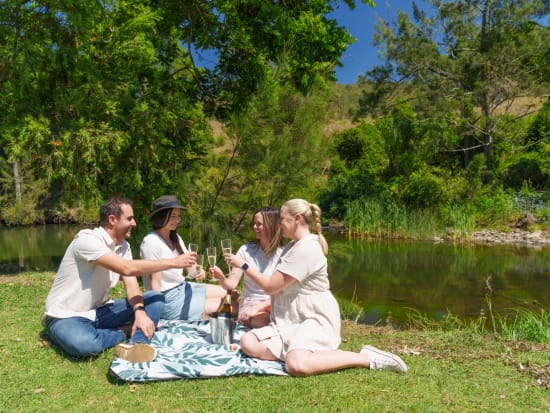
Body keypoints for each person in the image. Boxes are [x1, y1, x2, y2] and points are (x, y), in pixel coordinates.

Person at [223, 198, 408, 376]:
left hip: (312, 317)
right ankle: (303, 352)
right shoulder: (291, 247)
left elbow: (272, 287)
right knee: (248, 343)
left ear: (296, 219)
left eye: (282, 219)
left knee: (297, 366)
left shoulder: (307, 249)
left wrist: (244, 265)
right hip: (290, 319)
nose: (279, 224)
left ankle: (366, 358)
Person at [42, 197, 196, 363]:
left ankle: (137, 343)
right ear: (112, 220)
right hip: (66, 315)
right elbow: (126, 268)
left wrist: (139, 311)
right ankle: (125, 331)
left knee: (155, 298)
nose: (134, 223)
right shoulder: (86, 240)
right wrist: (173, 262)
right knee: (85, 344)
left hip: (99, 311)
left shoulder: (124, 246)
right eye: (129, 218)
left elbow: (131, 285)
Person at [140, 195, 226, 320]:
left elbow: (189, 266)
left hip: (184, 287)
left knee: (229, 295)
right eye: (173, 216)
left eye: (178, 216)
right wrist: (154, 315)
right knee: (229, 306)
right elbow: (156, 282)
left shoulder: (175, 237)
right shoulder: (151, 242)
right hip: (169, 299)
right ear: (161, 216)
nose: (177, 220)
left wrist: (198, 271)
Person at [209, 206, 285, 328]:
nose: (255, 227)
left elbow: (285, 292)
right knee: (265, 321)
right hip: (251, 305)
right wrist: (221, 277)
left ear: (272, 226)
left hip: (275, 304)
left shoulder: (285, 253)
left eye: (259, 224)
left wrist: (263, 306)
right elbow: (232, 284)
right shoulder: (246, 250)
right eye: (254, 223)